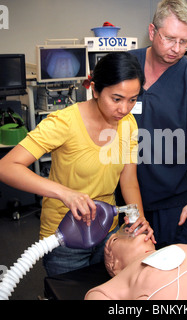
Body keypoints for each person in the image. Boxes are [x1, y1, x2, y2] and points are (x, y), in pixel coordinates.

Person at [0, 52, 155, 276]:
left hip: (106, 232)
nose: (124, 109)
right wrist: (66, 193)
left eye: (133, 99)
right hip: (65, 236)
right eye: (117, 98)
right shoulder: (64, 122)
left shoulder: (128, 123)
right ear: (95, 89)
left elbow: (128, 180)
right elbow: (7, 166)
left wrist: (138, 219)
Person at [122, 0, 187, 248]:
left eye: (184, 42)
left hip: (172, 201)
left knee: (168, 273)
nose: (177, 49)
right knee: (123, 273)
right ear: (153, 31)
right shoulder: (126, 66)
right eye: (170, 38)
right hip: (122, 196)